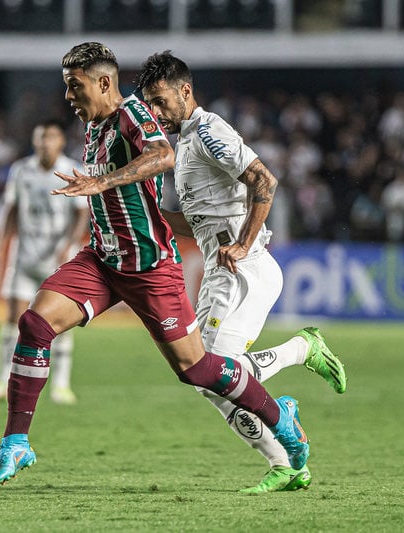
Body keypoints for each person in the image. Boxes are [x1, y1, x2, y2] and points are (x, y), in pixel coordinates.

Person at [0, 42, 309, 488]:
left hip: (150, 267)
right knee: (35, 324)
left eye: (74, 87)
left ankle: (281, 417)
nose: (68, 97)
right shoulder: (95, 128)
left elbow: (163, 156)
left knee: (197, 370)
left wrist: (101, 182)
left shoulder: (133, 114)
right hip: (102, 260)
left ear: (104, 83)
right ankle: (15, 444)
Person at [135, 51, 347, 492]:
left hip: (241, 270)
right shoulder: (184, 144)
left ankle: (300, 351)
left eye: (159, 100)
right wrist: (149, 215)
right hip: (224, 270)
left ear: (185, 91)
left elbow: (264, 181)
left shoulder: (210, 131)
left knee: (207, 370)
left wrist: (243, 243)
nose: (155, 112)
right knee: (209, 380)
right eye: (148, 104)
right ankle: (288, 464)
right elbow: (198, 223)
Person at [0, 120, 88, 405]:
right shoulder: (21, 170)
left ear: (61, 141)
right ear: (34, 141)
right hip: (24, 255)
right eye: (40, 138)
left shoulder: (71, 169)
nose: (45, 143)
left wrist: (69, 244)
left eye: (50, 137)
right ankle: (3, 381)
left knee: (60, 321)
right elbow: (11, 209)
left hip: (57, 259)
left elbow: (81, 213)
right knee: (14, 317)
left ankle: (61, 384)